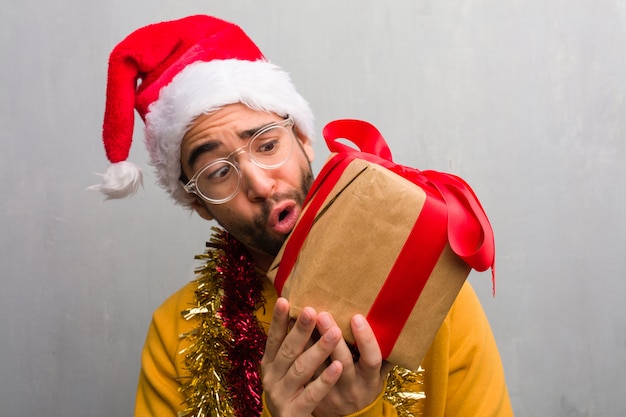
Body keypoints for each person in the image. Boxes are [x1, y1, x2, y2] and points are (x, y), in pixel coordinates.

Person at [92, 15, 514, 417]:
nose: (258, 183)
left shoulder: (429, 290)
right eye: (219, 172)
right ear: (198, 203)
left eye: (267, 144)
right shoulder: (176, 335)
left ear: (305, 140)